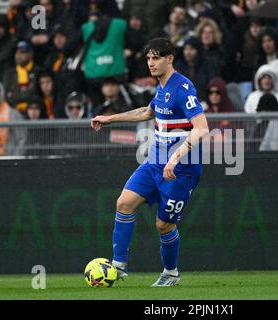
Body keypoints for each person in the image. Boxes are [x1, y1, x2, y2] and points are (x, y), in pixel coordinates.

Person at [91, 38, 209, 287]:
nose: (151, 63)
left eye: (156, 57)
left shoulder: (183, 87)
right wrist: (108, 118)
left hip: (181, 169)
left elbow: (201, 128)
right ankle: (119, 266)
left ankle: (171, 272)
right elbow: (147, 112)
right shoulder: (162, 87)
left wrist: (176, 159)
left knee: (163, 225)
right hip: (155, 162)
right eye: (148, 58)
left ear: (170, 58)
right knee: (123, 203)